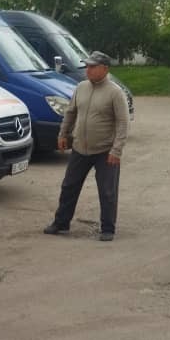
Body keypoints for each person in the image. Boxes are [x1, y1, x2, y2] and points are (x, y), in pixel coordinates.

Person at [44, 51, 128, 242]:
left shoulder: (115, 92)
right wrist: (63, 134)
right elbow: (70, 112)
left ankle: (108, 228)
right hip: (80, 147)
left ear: (104, 69)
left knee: (107, 191)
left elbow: (123, 123)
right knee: (69, 186)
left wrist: (116, 150)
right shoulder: (81, 87)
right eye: (87, 66)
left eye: (92, 67)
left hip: (105, 150)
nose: (87, 70)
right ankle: (61, 223)